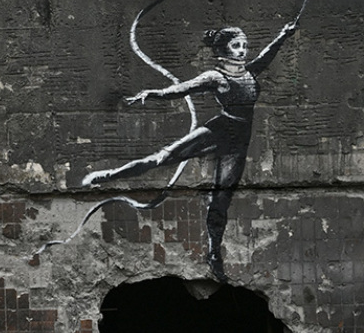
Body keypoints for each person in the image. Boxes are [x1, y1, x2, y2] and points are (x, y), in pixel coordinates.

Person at [81, 22, 298, 281]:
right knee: (162, 158)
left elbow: (267, 55)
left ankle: (214, 254)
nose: (243, 51)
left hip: (238, 144)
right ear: (223, 49)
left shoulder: (250, 73)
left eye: (244, 46)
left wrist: (283, 34)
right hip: (218, 130)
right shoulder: (216, 77)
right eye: (236, 46)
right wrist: (154, 94)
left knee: (220, 202)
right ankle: (106, 177)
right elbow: (182, 89)